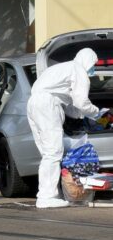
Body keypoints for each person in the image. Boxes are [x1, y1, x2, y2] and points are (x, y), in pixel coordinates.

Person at [27, 48, 109, 208]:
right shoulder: (79, 71)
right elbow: (81, 102)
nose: (93, 69)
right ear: (87, 61)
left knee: (47, 152)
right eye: (93, 64)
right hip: (48, 104)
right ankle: (46, 197)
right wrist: (96, 113)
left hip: (33, 103)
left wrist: (80, 115)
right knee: (53, 152)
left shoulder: (62, 68)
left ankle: (48, 192)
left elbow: (70, 105)